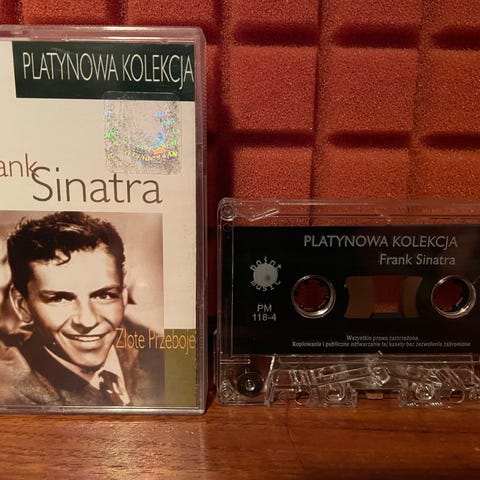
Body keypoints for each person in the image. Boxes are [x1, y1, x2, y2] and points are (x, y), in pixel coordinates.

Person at [0, 211, 163, 407]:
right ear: (22, 305)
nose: (87, 321)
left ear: (124, 295)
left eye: (104, 295)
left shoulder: (158, 350)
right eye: (60, 299)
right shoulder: (11, 393)